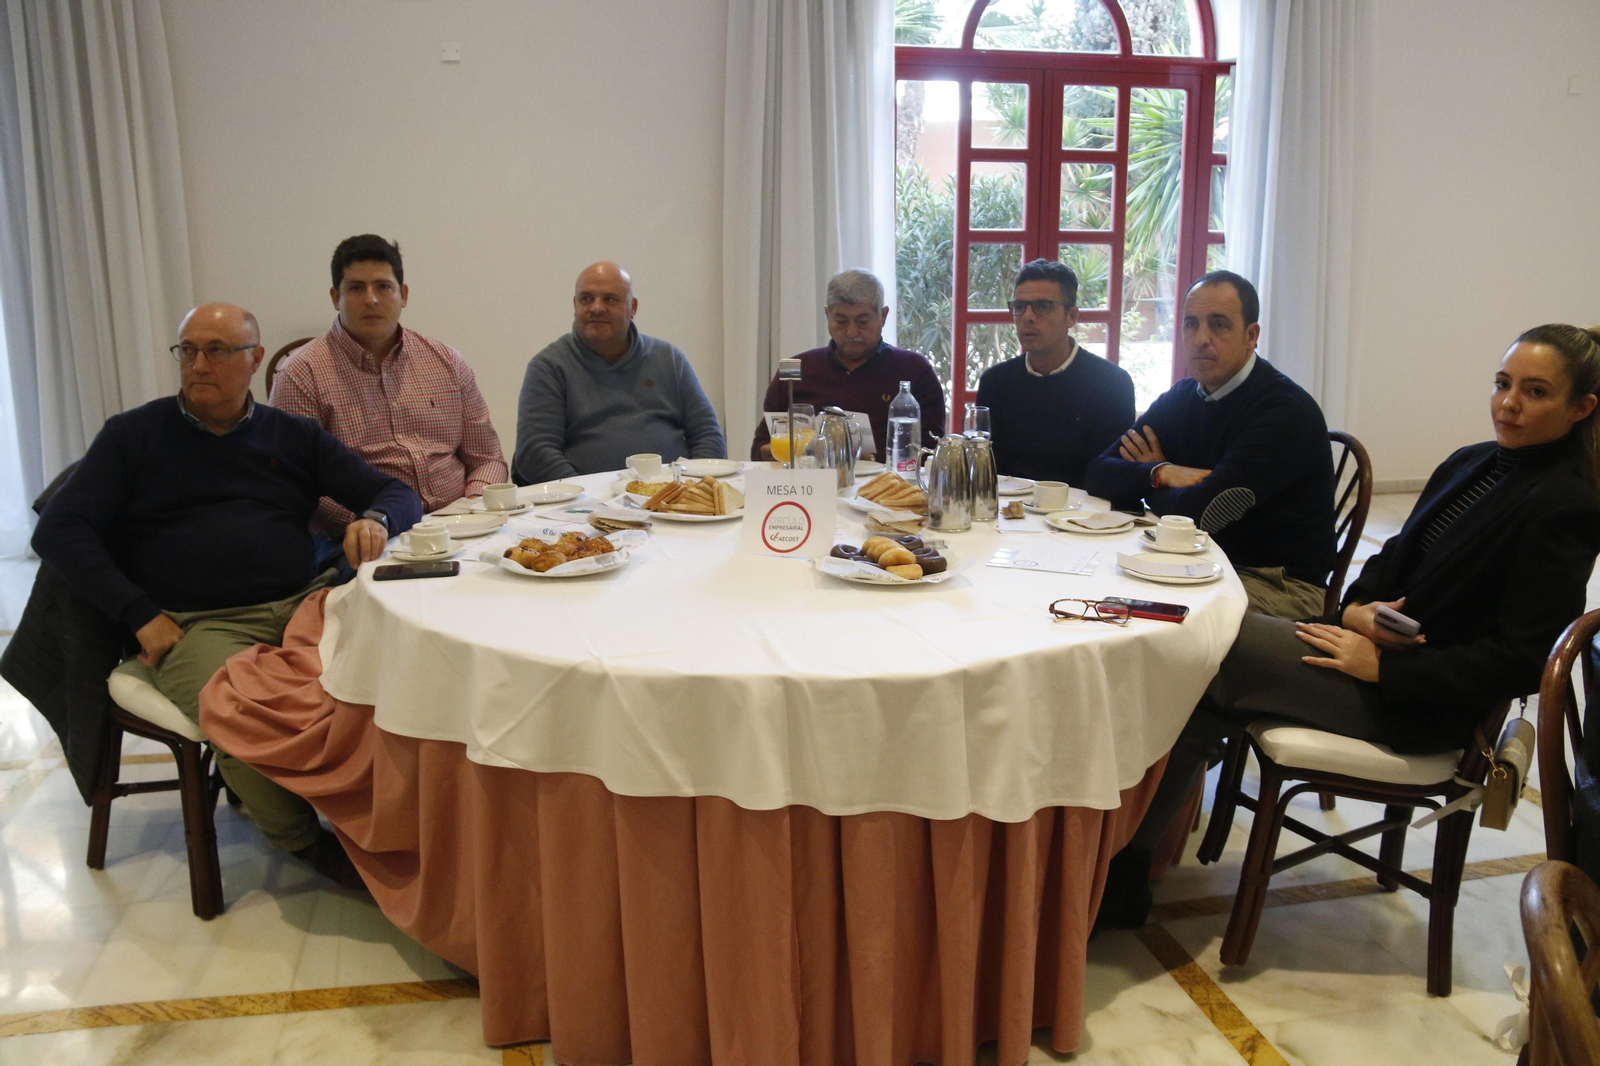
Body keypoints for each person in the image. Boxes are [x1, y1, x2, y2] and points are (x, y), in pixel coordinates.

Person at [1099, 323, 1600, 929]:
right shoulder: (1472, 462)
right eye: (1502, 383)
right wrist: (1357, 610)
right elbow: (1385, 564)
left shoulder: (1564, 503)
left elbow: (1523, 659)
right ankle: (1122, 868)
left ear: (1581, 408)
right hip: (1371, 658)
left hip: (1420, 704)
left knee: (1207, 641)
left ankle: (1115, 865)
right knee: (1199, 664)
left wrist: (1386, 668)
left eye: (1535, 391)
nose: (1509, 403)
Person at [31, 303, 423, 887]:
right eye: (187, 350)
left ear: (254, 359)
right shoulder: (133, 436)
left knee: (392, 676)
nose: (198, 364)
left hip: (304, 604)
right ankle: (308, 844)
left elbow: (397, 493)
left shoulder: (292, 435)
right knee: (235, 713)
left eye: (216, 350)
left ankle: (392, 823)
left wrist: (375, 518)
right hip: (199, 623)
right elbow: (58, 530)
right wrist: (138, 614)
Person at [1085, 271, 1335, 619]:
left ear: (1251, 336)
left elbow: (1204, 515)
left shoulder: (1284, 412)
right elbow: (1098, 474)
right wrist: (1163, 472)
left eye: (1219, 325)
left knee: (1142, 615)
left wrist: (1149, 487)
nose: (1201, 338)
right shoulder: (1182, 396)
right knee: (1094, 583)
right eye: (1191, 324)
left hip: (1275, 581)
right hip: (1194, 558)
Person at [269, 234, 508, 540]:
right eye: (356, 288)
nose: (371, 299)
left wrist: (473, 505)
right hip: (367, 539)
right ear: (335, 297)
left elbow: (487, 458)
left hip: (462, 527)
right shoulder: (300, 375)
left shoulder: (446, 361)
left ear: (403, 294)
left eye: (383, 287)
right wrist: (373, 524)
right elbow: (297, 486)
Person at [514, 262, 724, 483]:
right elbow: (535, 452)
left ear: (632, 307)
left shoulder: (669, 359)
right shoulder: (549, 367)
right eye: (586, 299)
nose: (596, 308)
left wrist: (691, 488)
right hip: (586, 500)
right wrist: (587, 496)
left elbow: (708, 436)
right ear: (575, 305)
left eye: (610, 299)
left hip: (672, 495)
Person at [749, 269, 944, 462]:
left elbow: (932, 451)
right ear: (827, 314)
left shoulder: (914, 370)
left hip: (888, 480)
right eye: (841, 321)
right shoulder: (798, 370)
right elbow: (760, 448)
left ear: (883, 316)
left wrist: (868, 458)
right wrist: (794, 450)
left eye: (862, 321)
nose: (851, 332)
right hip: (808, 479)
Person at [976, 259, 1135, 486]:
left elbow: (1108, 476)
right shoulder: (996, 382)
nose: (1028, 317)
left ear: (1071, 316)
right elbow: (987, 472)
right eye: (1020, 307)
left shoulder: (1112, 384)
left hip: (1083, 506)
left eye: (1042, 306)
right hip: (1008, 505)